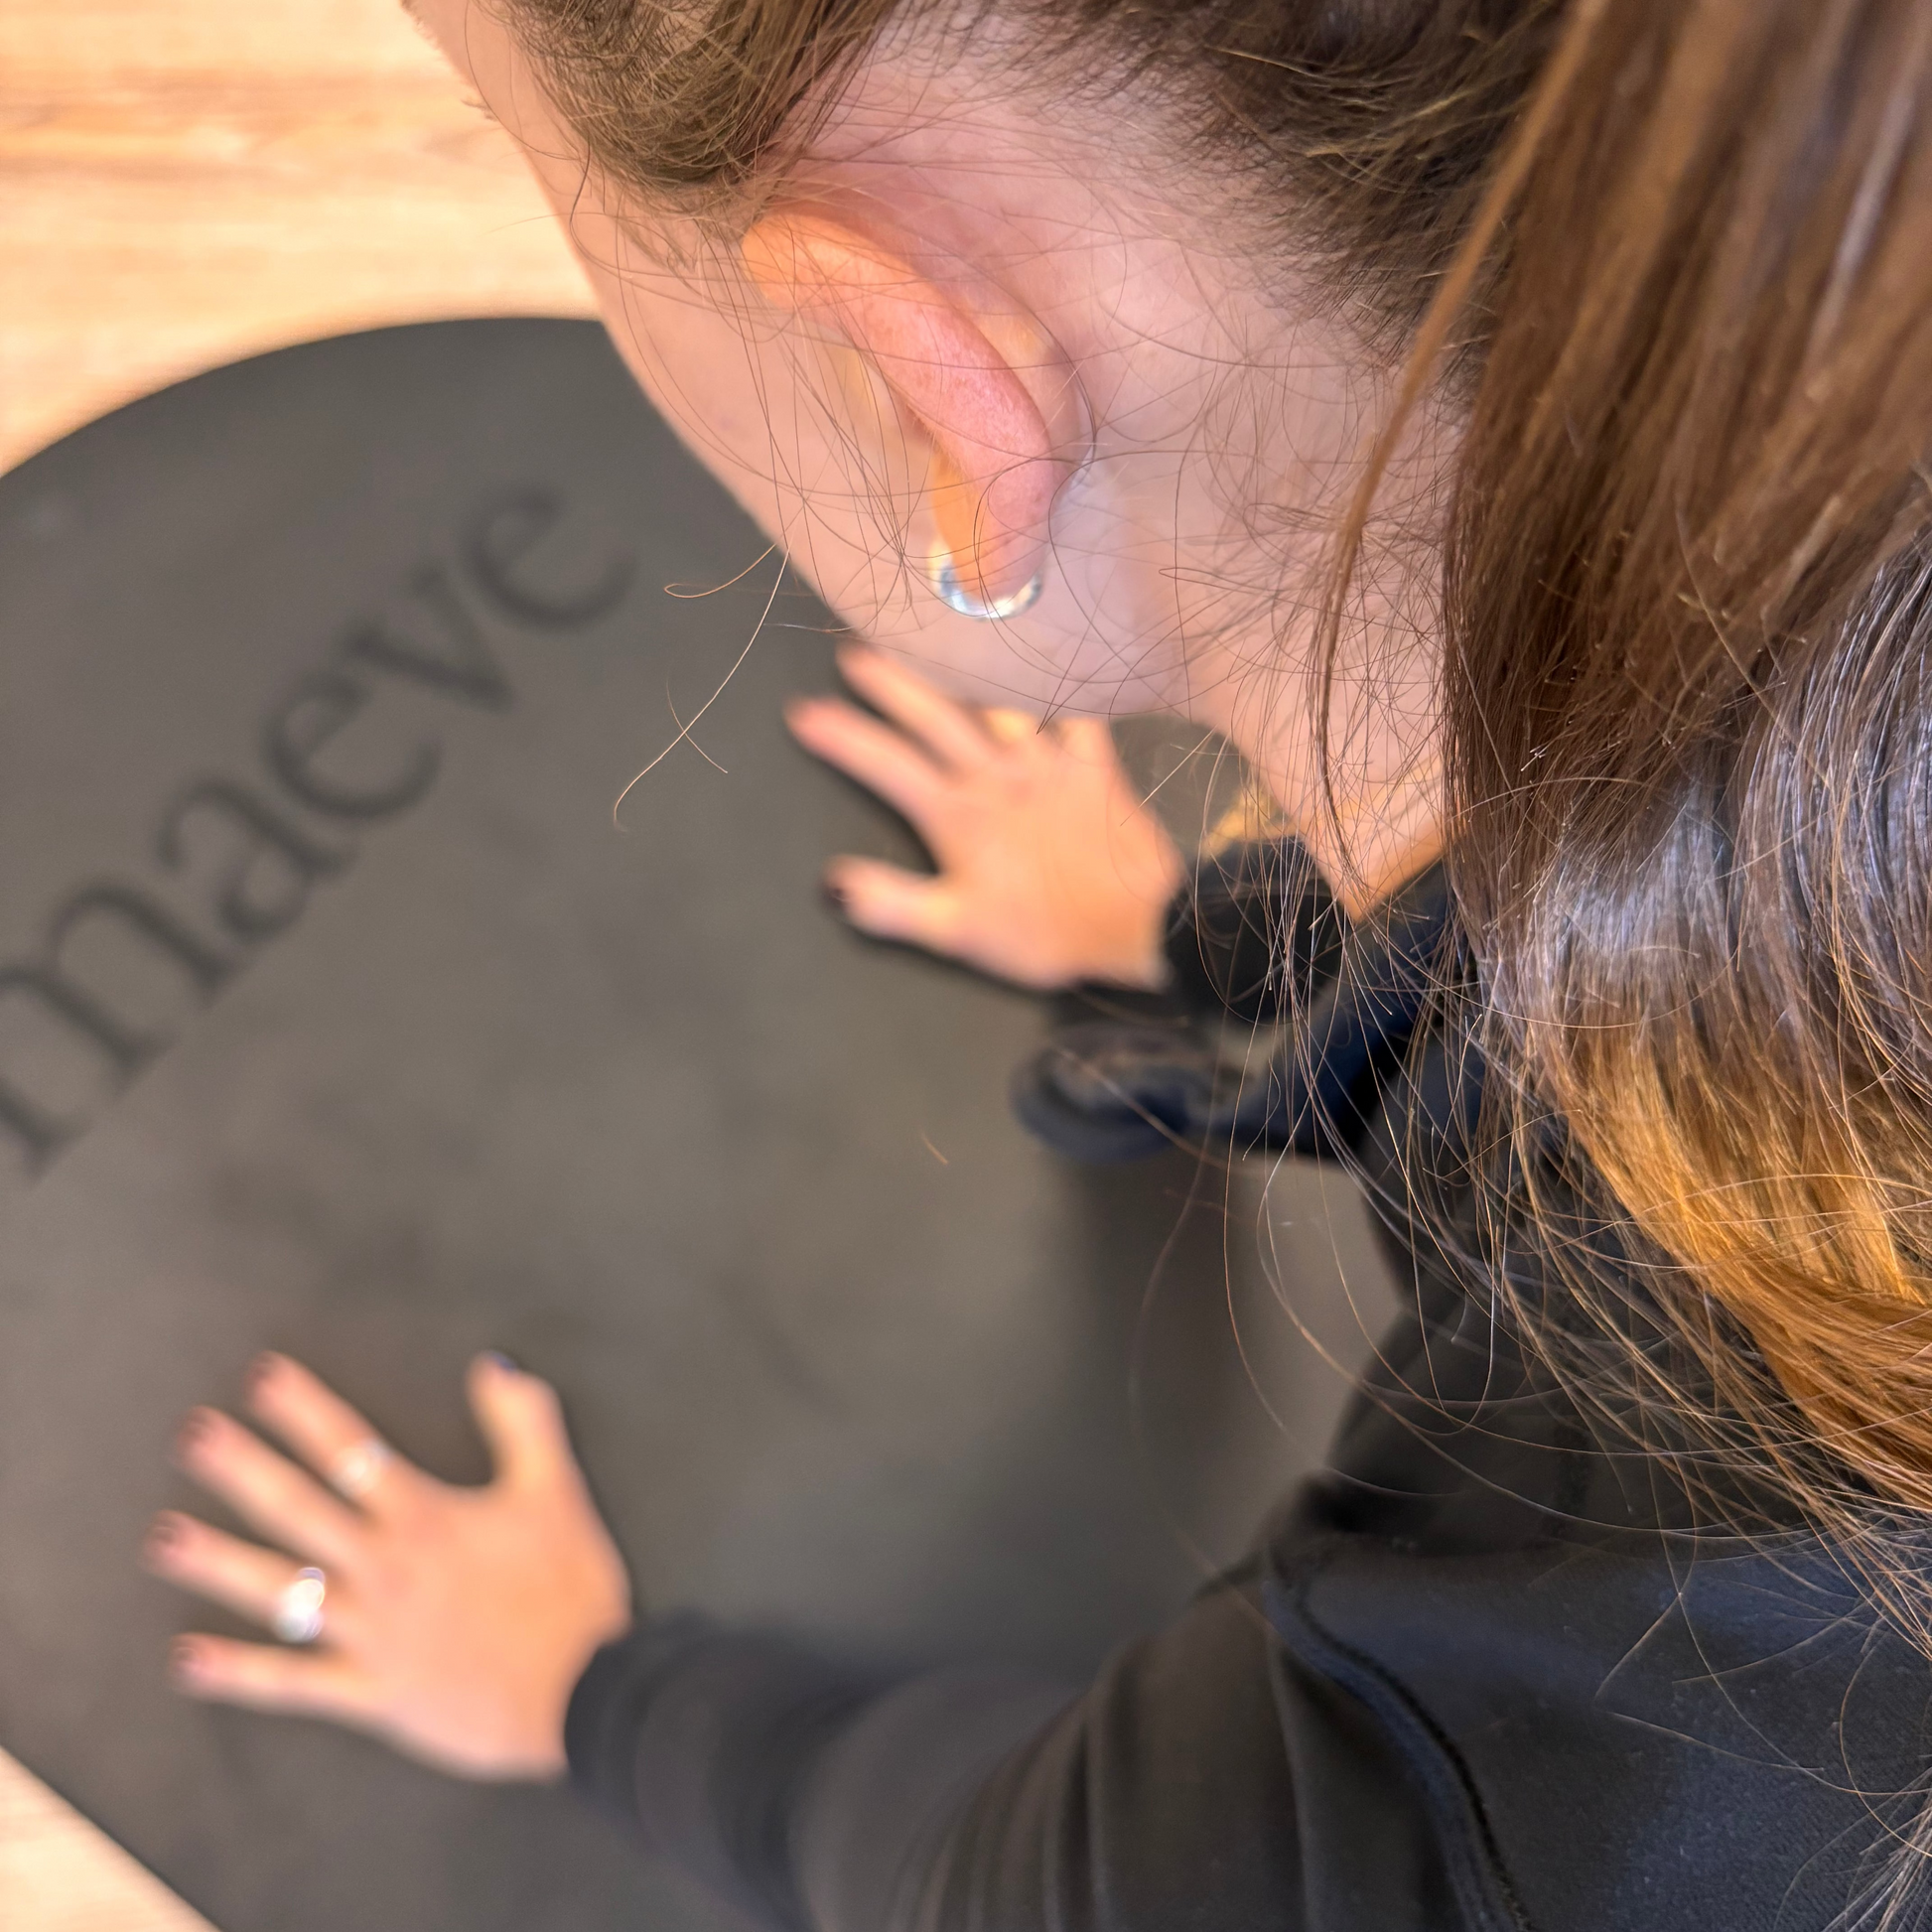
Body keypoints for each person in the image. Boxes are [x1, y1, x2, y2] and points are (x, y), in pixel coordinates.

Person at [140, 1, 1932, 1926]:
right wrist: (1210, 946)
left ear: (929, 368)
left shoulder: (1529, 1788)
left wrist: (592, 1693)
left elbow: (990, 1877)